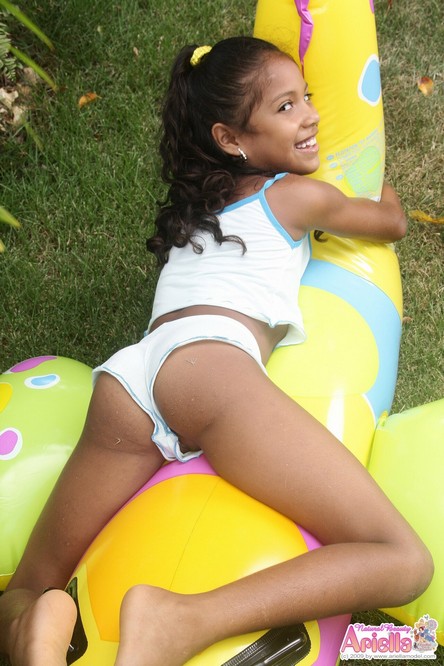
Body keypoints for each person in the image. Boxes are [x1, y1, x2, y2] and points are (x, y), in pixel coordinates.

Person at [0, 36, 433, 666]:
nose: (311, 116)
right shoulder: (293, 197)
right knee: (403, 560)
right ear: (231, 139)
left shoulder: (195, 216)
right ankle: (183, 619)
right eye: (286, 107)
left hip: (128, 383)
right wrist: (374, 178)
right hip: (210, 370)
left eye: (308, 98)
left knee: (29, 582)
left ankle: (33, 625)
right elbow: (388, 222)